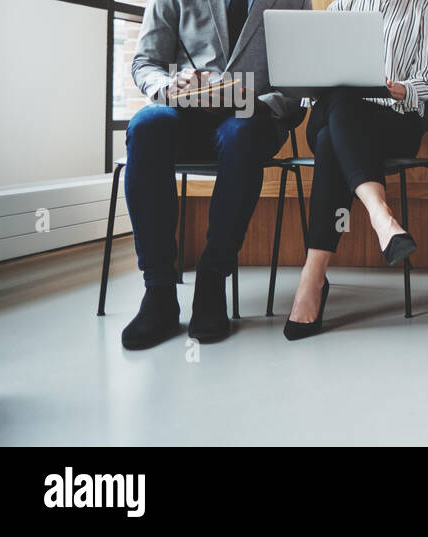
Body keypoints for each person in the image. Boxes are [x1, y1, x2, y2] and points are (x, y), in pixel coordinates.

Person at [121, 0, 310, 350]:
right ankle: (159, 290)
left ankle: (212, 279)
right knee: (145, 127)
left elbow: (302, 82)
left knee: (243, 134)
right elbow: (145, 61)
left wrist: (259, 100)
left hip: (253, 117)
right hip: (184, 112)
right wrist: (167, 85)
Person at [283, 0, 428, 341]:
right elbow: (310, 85)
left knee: (331, 141)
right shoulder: (340, 7)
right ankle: (381, 217)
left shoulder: (423, 10)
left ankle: (313, 276)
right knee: (342, 98)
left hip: (392, 123)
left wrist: (400, 89)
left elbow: (426, 83)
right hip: (333, 112)